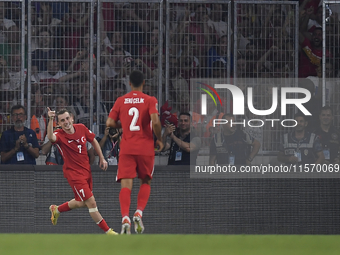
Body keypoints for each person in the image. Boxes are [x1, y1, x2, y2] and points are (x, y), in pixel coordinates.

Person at [106, 70, 163, 234]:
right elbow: (155, 120)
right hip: (145, 148)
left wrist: (122, 126)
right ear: (143, 83)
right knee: (145, 181)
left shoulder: (121, 100)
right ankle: (138, 212)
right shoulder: (150, 100)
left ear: (129, 83)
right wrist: (159, 138)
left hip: (127, 148)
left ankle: (125, 217)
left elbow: (110, 122)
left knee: (126, 185)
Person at [46, 107, 117, 235]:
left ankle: (57, 209)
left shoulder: (81, 128)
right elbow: (50, 137)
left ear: (72, 118)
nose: (66, 122)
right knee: (91, 202)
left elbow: (93, 140)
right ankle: (109, 232)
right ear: (59, 124)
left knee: (81, 202)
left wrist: (102, 158)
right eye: (62, 120)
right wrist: (50, 119)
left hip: (86, 171)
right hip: (74, 174)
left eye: (67, 118)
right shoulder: (59, 135)